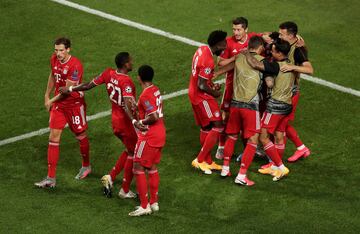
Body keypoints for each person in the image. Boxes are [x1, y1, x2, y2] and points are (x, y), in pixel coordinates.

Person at [59, 52, 138, 199]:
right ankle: (125, 190)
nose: (132, 62)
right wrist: (135, 121)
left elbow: (89, 85)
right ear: (125, 64)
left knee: (130, 150)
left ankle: (111, 177)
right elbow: (127, 105)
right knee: (135, 154)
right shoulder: (127, 82)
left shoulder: (108, 73)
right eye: (130, 61)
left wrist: (70, 89)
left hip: (115, 121)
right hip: (126, 123)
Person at [35, 37, 91, 188]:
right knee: (53, 136)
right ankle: (50, 178)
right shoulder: (54, 59)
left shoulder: (75, 66)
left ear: (68, 49)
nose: (58, 53)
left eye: (61, 50)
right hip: (59, 105)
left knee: (80, 135)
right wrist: (46, 94)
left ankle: (86, 166)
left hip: (74, 104)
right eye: (56, 50)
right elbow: (53, 75)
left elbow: (67, 91)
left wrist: (50, 101)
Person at [215, 36, 267, 185]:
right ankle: (242, 176)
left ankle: (225, 168)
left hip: (235, 104)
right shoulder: (261, 61)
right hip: (251, 106)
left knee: (231, 136)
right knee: (252, 140)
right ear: (260, 47)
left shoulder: (238, 58)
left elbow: (227, 68)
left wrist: (217, 73)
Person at [244, 39, 294, 181]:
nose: (270, 52)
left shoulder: (275, 66)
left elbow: (255, 64)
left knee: (262, 137)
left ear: (279, 53)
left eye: (273, 51)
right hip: (287, 105)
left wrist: (247, 54)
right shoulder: (289, 63)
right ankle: (274, 166)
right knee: (279, 136)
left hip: (275, 106)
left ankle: (280, 166)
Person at [129, 65, 166, 217]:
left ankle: (145, 206)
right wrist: (136, 109)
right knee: (151, 167)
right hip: (160, 133)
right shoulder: (155, 89)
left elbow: (153, 117)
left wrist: (140, 122)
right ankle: (154, 202)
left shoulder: (145, 96)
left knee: (138, 168)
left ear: (139, 77)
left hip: (149, 136)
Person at [188, 30, 227, 174]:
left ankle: (208, 161)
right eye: (223, 44)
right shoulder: (209, 60)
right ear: (217, 44)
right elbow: (201, 85)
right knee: (217, 124)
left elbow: (202, 79)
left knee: (206, 127)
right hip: (201, 96)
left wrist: (211, 84)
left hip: (194, 93)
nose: (225, 47)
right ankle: (199, 160)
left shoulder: (202, 49)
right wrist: (215, 92)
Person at [278, 21, 313, 162]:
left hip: (291, 92)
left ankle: (276, 163)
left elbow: (310, 70)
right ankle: (301, 148)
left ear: (291, 35)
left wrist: (292, 67)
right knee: (283, 124)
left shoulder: (298, 50)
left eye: (282, 34)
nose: (279, 36)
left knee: (281, 125)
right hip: (282, 91)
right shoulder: (285, 44)